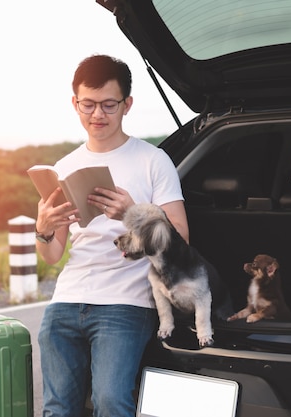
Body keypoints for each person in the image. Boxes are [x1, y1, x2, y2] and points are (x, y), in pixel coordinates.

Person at [35, 54, 189, 416]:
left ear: (127, 105)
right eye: (88, 105)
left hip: (126, 303)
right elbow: (53, 254)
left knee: (110, 402)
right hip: (66, 302)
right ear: (75, 103)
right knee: (57, 409)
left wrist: (133, 214)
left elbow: (181, 238)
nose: (97, 115)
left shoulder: (152, 160)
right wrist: (43, 230)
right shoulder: (65, 167)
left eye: (108, 105)